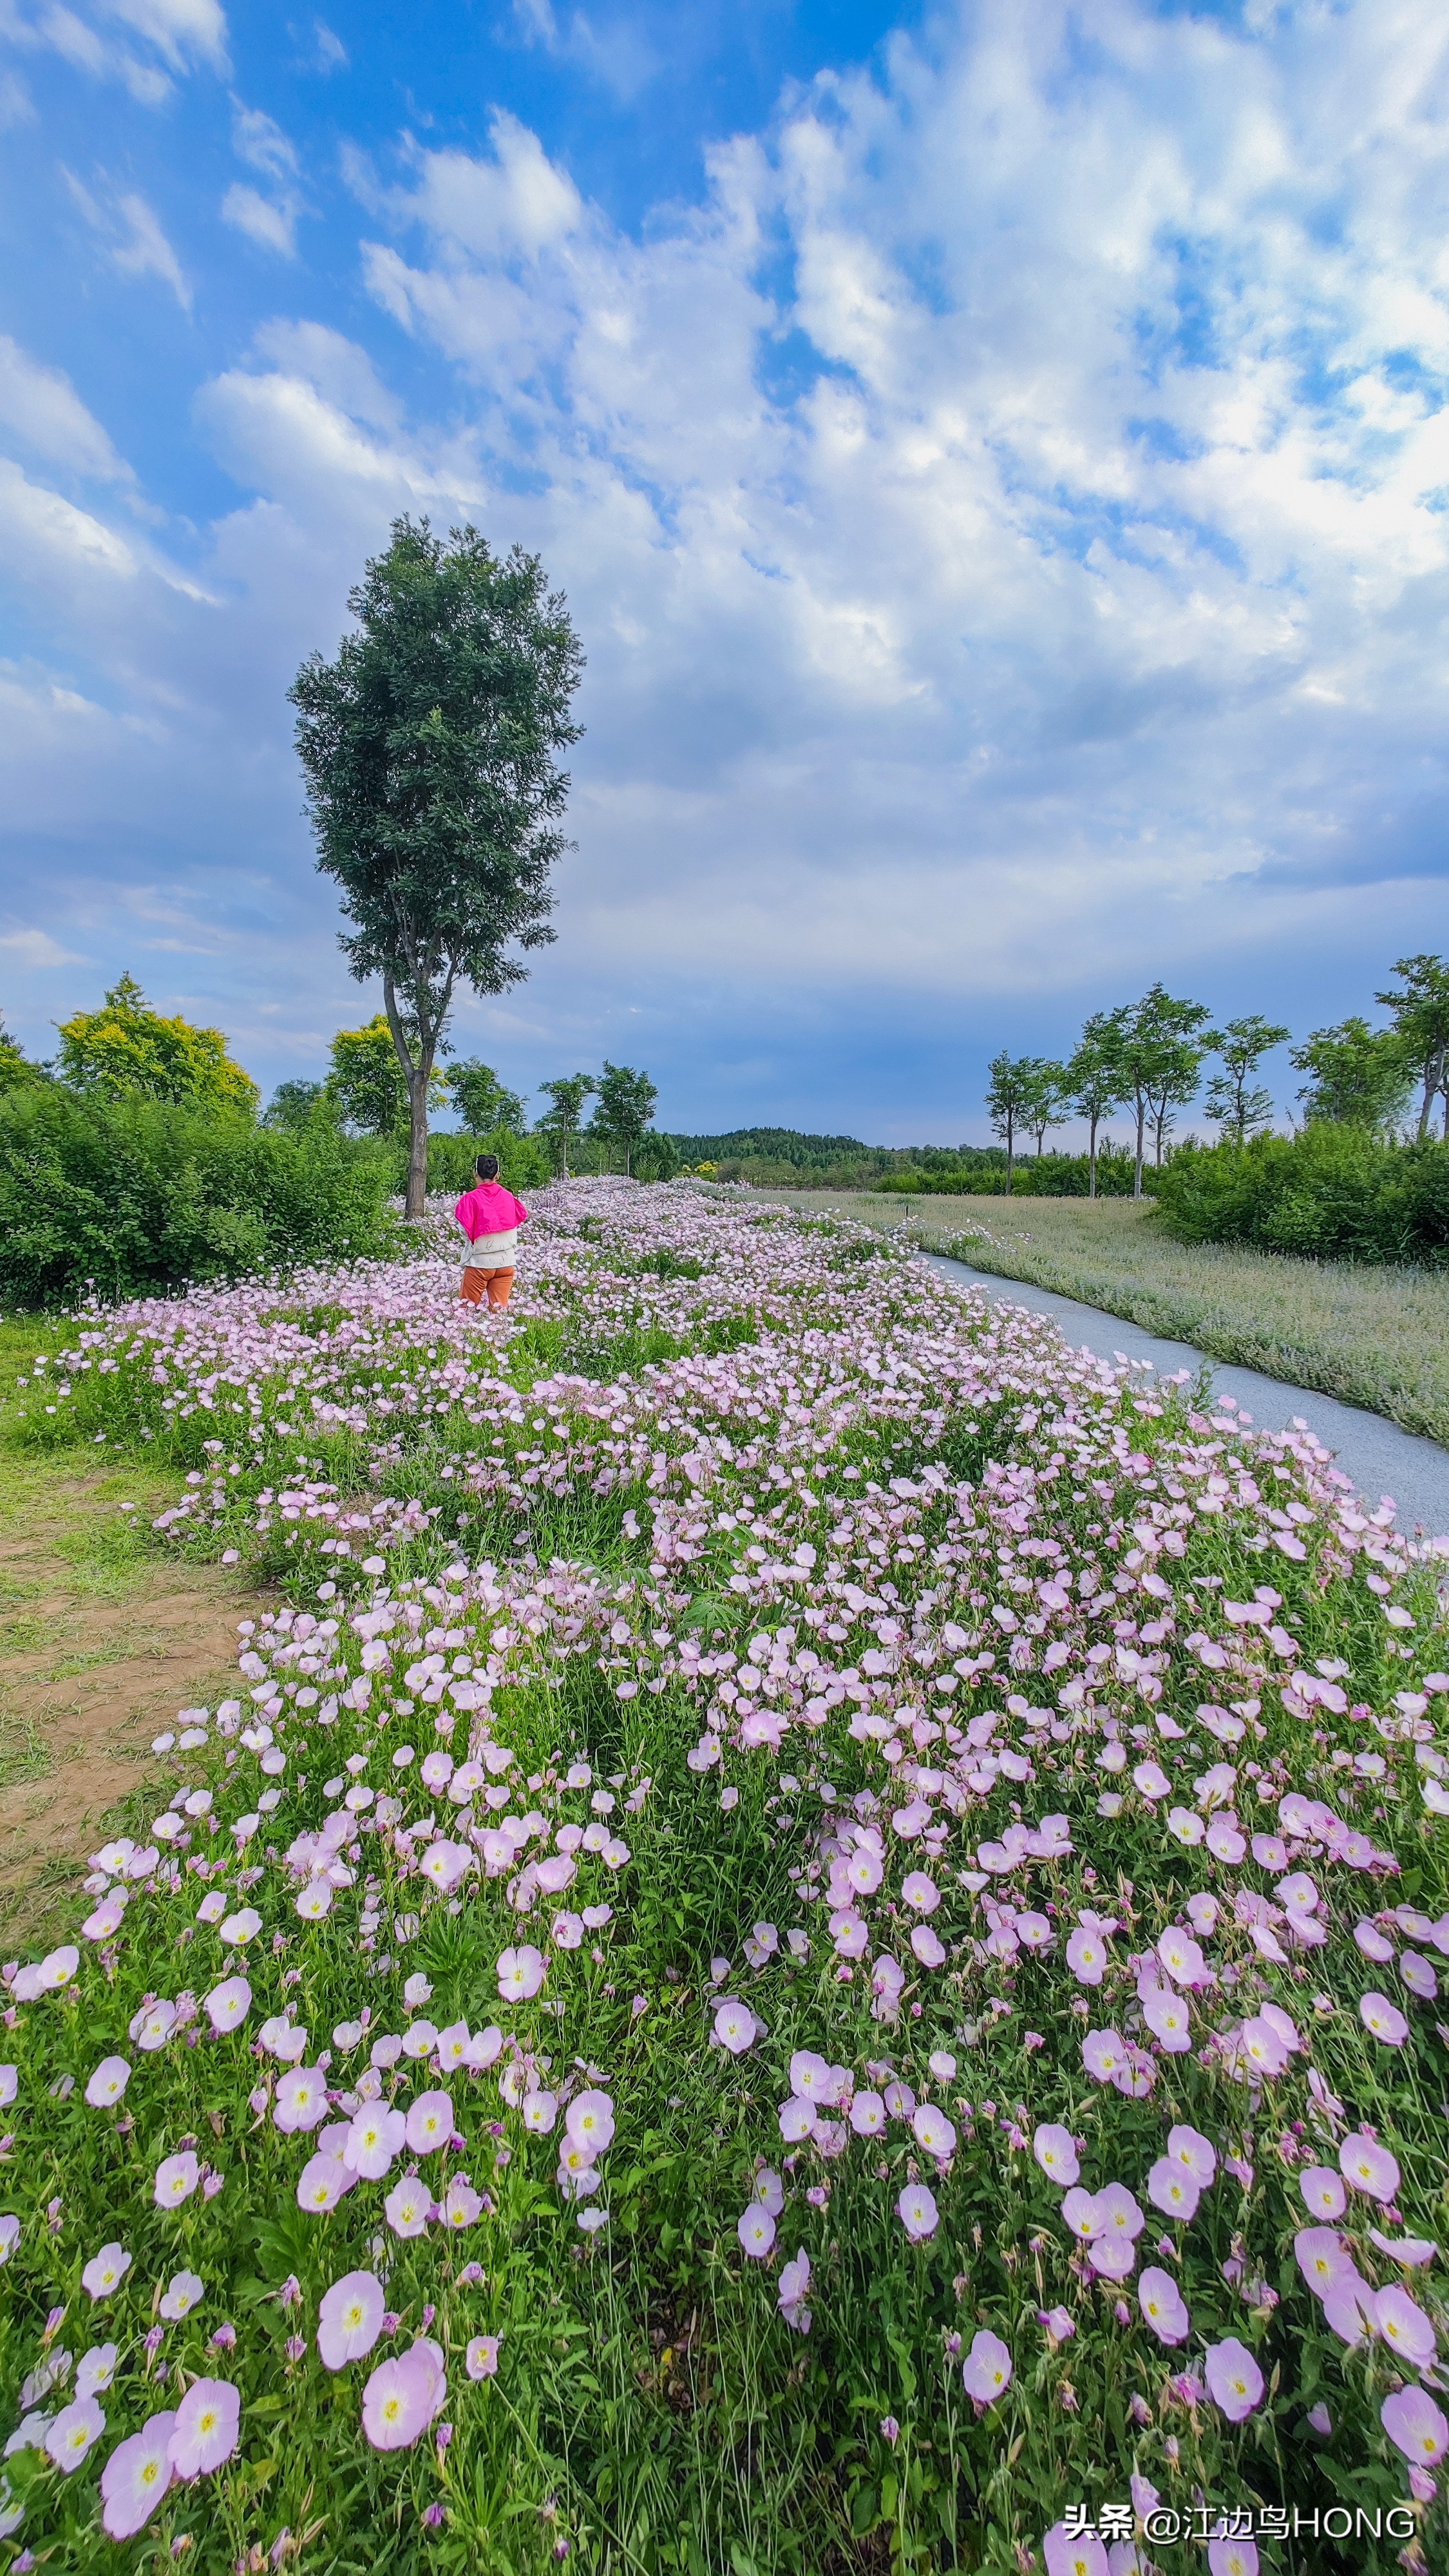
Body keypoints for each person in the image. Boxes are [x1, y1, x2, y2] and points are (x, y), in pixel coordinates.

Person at [454, 1154, 530, 1309]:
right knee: (498, 1314)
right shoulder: (509, 1197)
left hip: (480, 1264)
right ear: (498, 1175)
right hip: (506, 1263)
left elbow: (464, 1230)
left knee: (465, 1312)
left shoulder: (469, 1199)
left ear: (475, 1173)